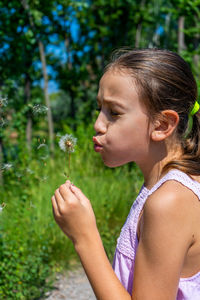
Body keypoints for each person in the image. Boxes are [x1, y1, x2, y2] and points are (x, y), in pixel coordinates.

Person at [51, 48, 200, 300]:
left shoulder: (170, 202)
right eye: (100, 108)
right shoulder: (164, 188)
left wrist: (84, 236)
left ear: (162, 125)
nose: (98, 124)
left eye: (114, 112)